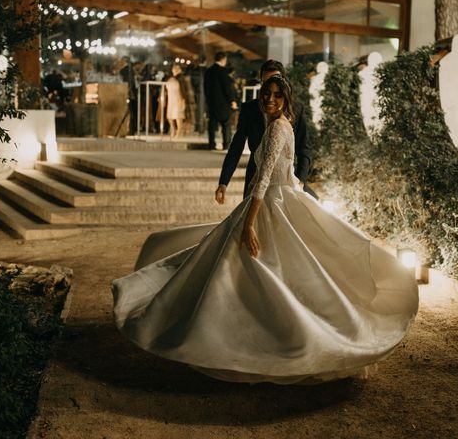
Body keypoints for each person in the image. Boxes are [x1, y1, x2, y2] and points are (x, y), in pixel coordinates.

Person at [112, 75, 419, 385]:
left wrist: (249, 222)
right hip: (281, 199)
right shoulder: (282, 124)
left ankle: (257, 340)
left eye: (277, 96)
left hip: (270, 203)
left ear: (285, 99)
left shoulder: (276, 127)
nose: (271, 99)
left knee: (259, 270)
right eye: (267, 94)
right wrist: (294, 195)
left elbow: (266, 175)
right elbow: (287, 171)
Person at [215, 59, 313, 201]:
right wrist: (223, 182)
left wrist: (301, 182)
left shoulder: (296, 110)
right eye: (265, 82)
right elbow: (236, 146)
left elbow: (304, 149)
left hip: (285, 182)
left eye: (275, 80)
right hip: (255, 178)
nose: (270, 88)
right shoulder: (249, 109)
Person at [204, 51, 237, 150]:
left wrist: (208, 100)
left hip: (211, 102)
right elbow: (227, 88)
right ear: (223, 59)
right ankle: (226, 145)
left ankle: (211, 144)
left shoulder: (208, 71)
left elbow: (205, 87)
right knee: (226, 124)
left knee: (212, 124)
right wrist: (232, 100)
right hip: (223, 103)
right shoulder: (223, 72)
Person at [164, 63, 187, 138]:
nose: (174, 70)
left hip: (178, 98)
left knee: (178, 116)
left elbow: (183, 90)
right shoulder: (170, 78)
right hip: (171, 99)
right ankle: (173, 129)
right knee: (169, 116)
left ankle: (179, 131)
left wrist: (183, 100)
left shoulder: (181, 78)